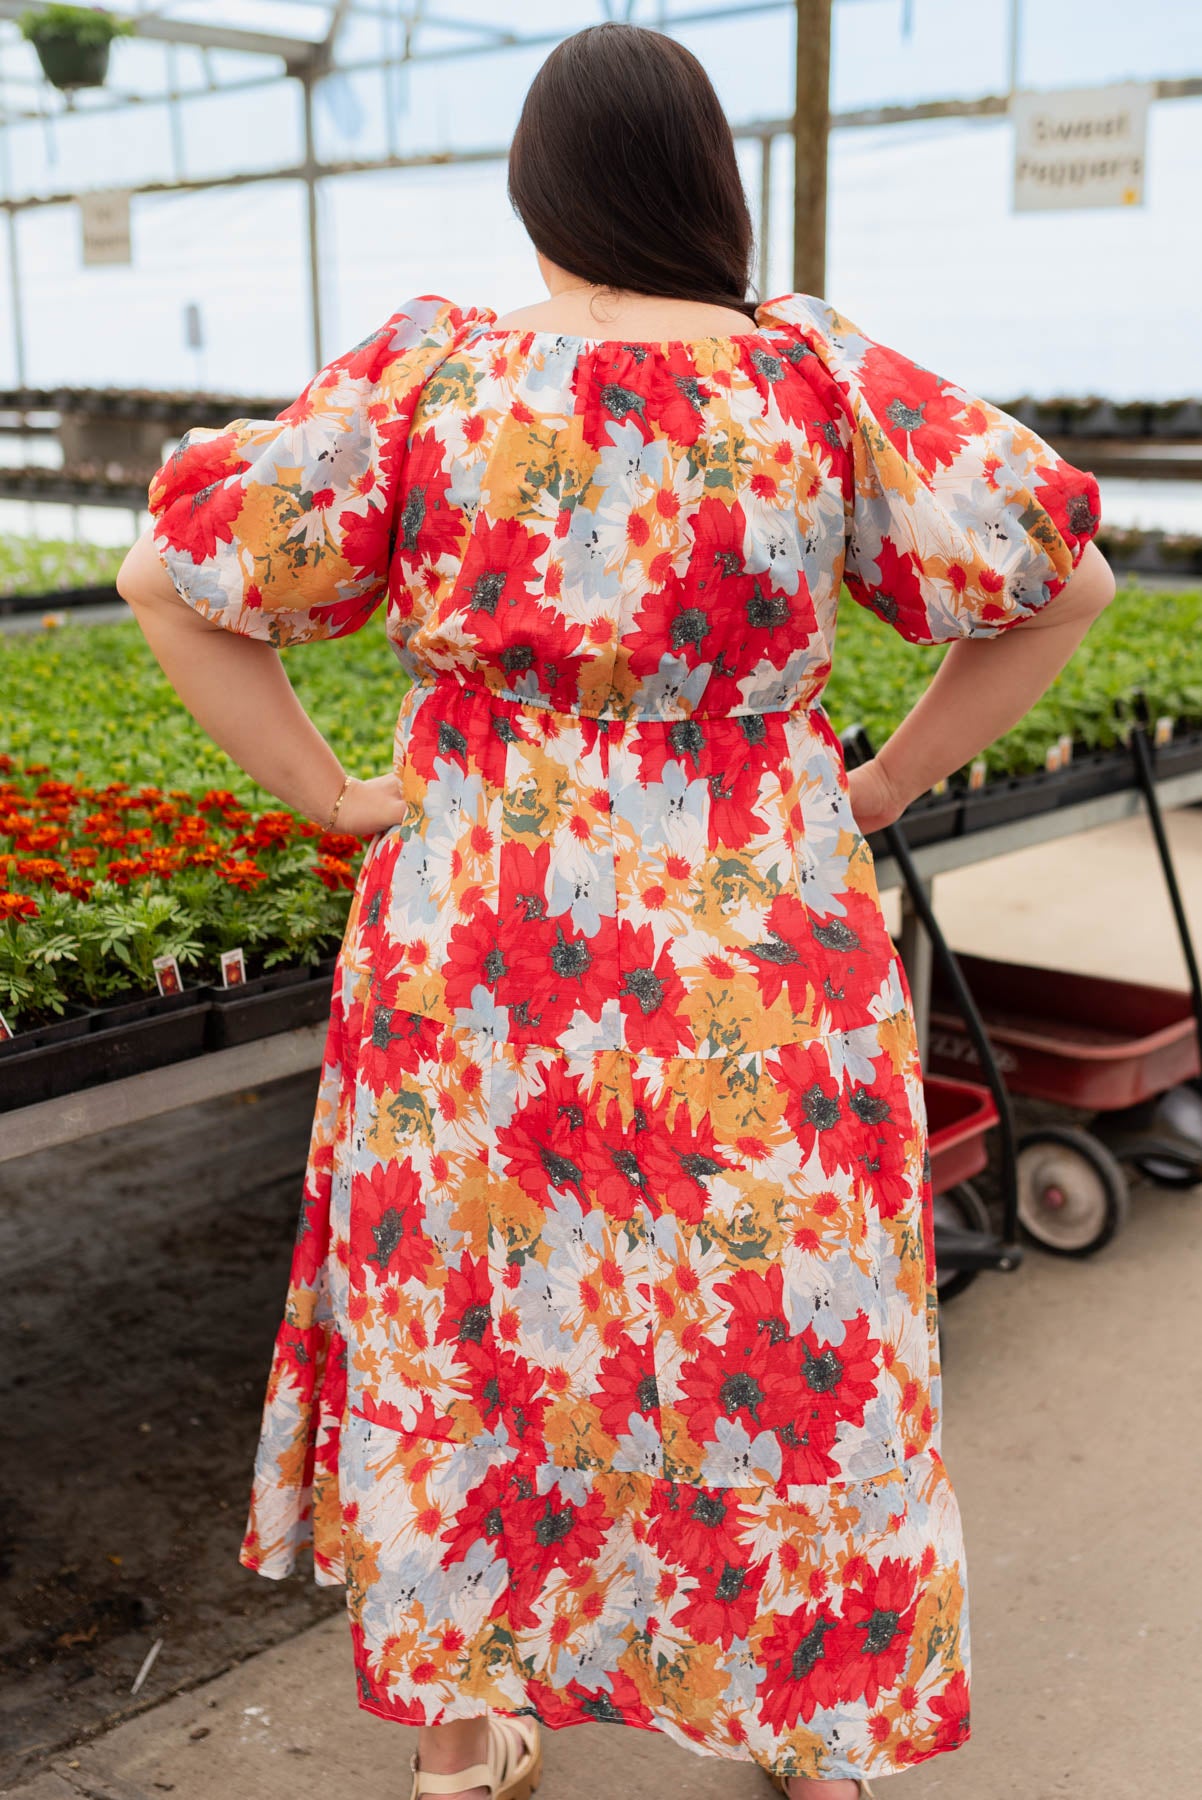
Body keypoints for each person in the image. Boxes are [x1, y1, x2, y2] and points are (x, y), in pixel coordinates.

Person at [117, 21, 1113, 1799]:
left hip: (487, 945)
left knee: (475, 1321)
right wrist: (876, 783)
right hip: (763, 935)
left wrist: (335, 800)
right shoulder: (811, 378)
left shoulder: (439, 378)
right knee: (775, 1320)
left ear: (537, 188)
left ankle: (461, 1733)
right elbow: (1060, 578)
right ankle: (808, 1715)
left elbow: (172, 581)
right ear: (706, 188)